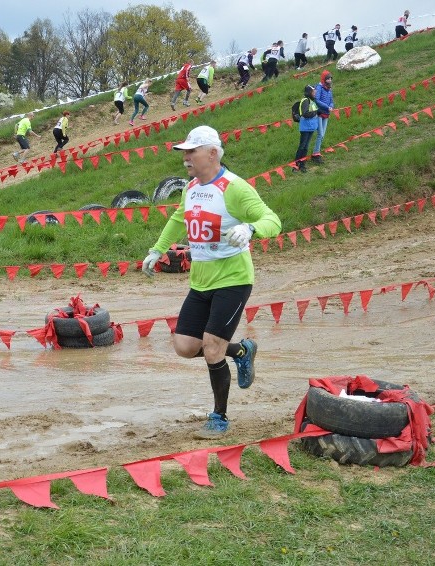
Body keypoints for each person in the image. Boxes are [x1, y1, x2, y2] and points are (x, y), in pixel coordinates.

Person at [141, 125, 281, 439]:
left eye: (192, 151)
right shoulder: (191, 188)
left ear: (212, 153)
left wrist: (250, 229)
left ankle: (219, 417)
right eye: (184, 152)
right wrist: (157, 250)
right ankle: (242, 351)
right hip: (201, 281)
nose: (185, 157)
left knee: (213, 349)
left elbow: (273, 220)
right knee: (185, 346)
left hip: (233, 279)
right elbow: (179, 218)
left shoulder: (235, 188)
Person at [294, 85, 320, 173]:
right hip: (305, 128)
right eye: (313, 92)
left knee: (306, 147)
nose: (315, 93)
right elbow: (304, 114)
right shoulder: (305, 100)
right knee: (302, 146)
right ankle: (296, 164)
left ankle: (302, 164)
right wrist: (315, 113)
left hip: (311, 127)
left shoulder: (312, 101)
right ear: (309, 92)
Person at [312, 70, 335, 163]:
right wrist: (327, 107)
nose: (329, 80)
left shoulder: (329, 89)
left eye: (330, 78)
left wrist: (331, 106)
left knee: (322, 135)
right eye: (328, 79)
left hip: (327, 113)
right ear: (324, 79)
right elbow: (317, 100)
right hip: (319, 113)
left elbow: (332, 100)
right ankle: (316, 154)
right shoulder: (319, 87)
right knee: (320, 134)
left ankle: (316, 153)